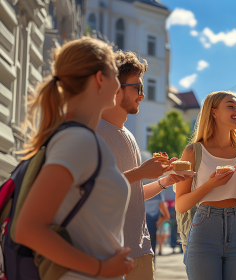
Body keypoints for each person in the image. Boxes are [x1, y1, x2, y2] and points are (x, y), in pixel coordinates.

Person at [14, 37, 134, 279]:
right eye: (115, 75)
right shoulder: (78, 141)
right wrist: (101, 269)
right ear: (100, 79)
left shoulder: (79, 138)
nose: (119, 85)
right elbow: (27, 229)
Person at [98, 50, 189, 280]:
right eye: (137, 88)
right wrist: (140, 172)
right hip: (109, 254)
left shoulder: (129, 135)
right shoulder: (95, 131)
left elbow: (133, 194)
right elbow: (94, 189)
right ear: (116, 88)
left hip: (141, 251)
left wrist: (164, 181)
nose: (142, 95)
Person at [175, 91, 236, 280]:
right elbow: (181, 205)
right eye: (231, 106)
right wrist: (209, 185)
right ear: (213, 113)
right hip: (204, 228)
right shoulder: (193, 151)